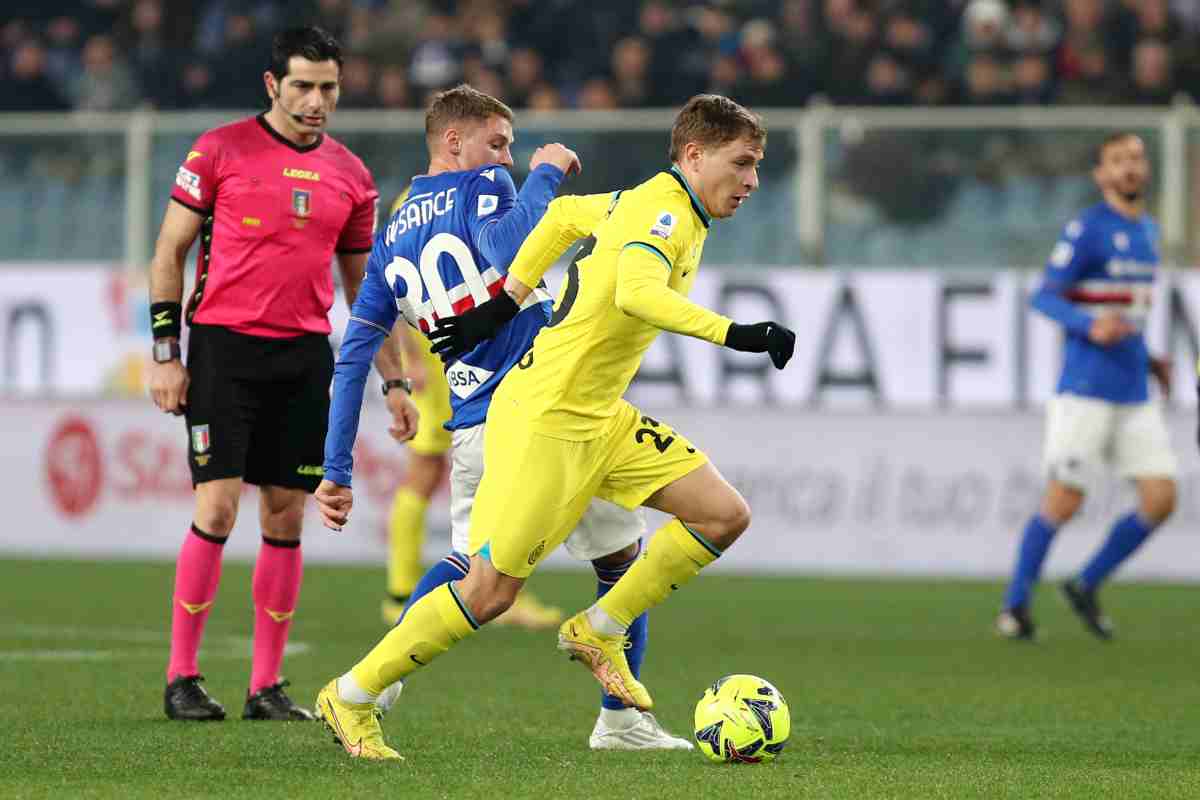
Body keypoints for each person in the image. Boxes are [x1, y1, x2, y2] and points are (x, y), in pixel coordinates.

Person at [315, 94, 795, 759]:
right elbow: (608, 278)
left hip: (581, 412)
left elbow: (566, 216)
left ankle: (613, 686)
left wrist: (503, 300)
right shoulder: (491, 187)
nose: (752, 181)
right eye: (743, 165)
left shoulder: (399, 230)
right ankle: (359, 690)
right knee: (484, 586)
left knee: (689, 529)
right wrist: (738, 332)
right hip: (535, 413)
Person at [147, 26, 412, 722]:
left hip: (302, 355)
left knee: (286, 514)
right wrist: (166, 355)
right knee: (217, 507)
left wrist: (397, 380)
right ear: (273, 85)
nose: (316, 99)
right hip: (223, 347)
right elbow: (170, 252)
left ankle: (266, 687)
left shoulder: (352, 176)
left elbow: (366, 290)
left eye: (327, 87)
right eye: (302, 85)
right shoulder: (219, 149)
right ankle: (182, 677)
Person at [996, 132, 1176, 642]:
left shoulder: (1149, 232)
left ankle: (1086, 583)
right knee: (1064, 499)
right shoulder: (1089, 229)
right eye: (1118, 161)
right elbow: (1045, 297)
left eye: (1137, 159)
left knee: (1161, 498)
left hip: (1133, 389)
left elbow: (1129, 314)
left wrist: (1152, 359)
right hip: (1086, 387)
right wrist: (1088, 325)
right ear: (1101, 175)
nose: (1130, 169)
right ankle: (1014, 608)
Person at [380, 190, 564, 633]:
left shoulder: (463, 189)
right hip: (444, 345)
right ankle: (403, 592)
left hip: (478, 340)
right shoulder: (422, 198)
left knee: (496, 472)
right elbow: (393, 285)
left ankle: (492, 586)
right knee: (430, 470)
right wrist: (407, 357)